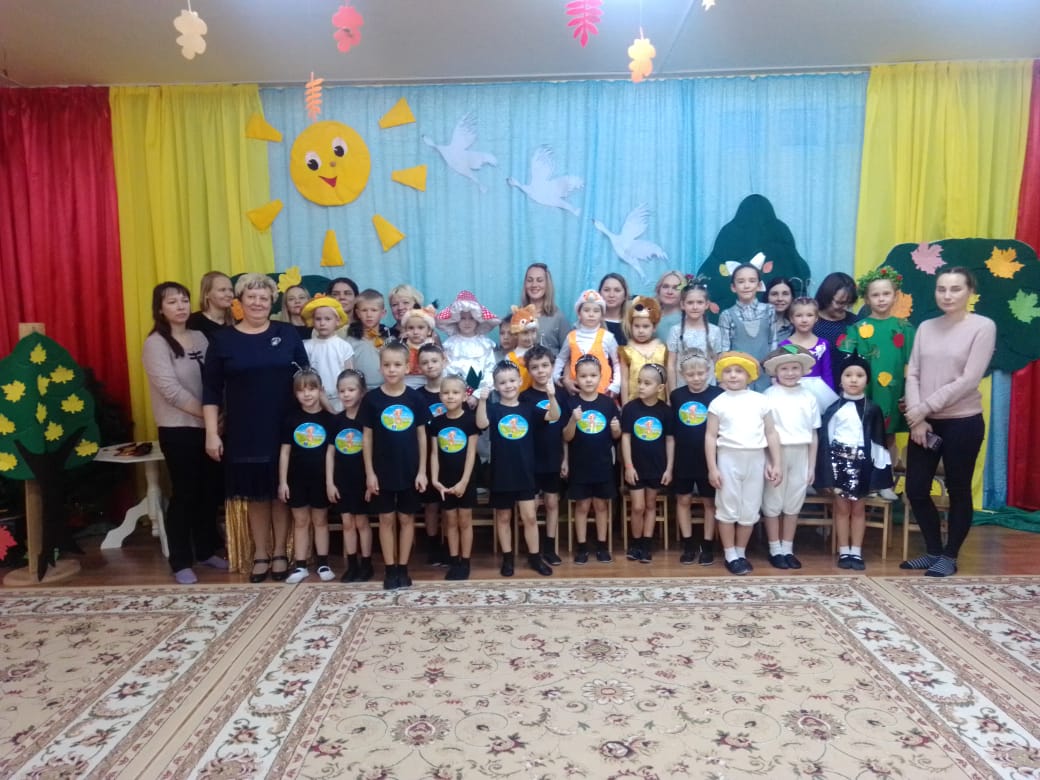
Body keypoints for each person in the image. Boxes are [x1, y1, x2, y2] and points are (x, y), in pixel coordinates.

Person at [203, 273, 308, 583]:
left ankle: (280, 552)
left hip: (285, 426)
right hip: (244, 429)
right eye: (251, 297)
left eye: (264, 298)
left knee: (280, 491)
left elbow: (306, 378)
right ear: (239, 301)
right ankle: (260, 553)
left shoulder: (287, 333)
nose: (258, 303)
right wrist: (211, 433)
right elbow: (210, 391)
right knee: (256, 495)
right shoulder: (222, 340)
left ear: (272, 301)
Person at [900, 267, 996, 578]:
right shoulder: (926, 327)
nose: (947, 295)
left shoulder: (983, 327)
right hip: (924, 424)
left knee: (958, 489)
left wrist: (922, 409)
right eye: (941, 289)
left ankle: (950, 555)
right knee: (915, 489)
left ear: (970, 292)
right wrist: (918, 419)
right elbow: (913, 373)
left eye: (955, 289)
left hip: (962, 422)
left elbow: (968, 380)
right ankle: (932, 550)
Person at [142, 281, 227, 585]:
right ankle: (180, 560)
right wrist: (209, 415)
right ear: (160, 308)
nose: (180, 306)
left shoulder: (200, 336)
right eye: (172, 302)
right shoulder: (156, 343)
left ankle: (205, 550)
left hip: (211, 428)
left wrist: (217, 418)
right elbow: (171, 391)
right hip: (179, 429)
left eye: (184, 300)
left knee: (209, 491)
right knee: (185, 493)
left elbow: (216, 379)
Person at [477, 359, 560, 576]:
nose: (508, 385)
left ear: (520, 381)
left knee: (530, 517)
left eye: (512, 381)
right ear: (496, 386)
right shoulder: (493, 409)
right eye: (503, 382)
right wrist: (482, 401)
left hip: (525, 472)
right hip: (502, 472)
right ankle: (508, 559)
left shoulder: (528, 408)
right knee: (503, 517)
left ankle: (535, 557)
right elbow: (481, 424)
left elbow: (554, 415)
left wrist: (551, 396)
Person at [705, 351, 782, 576]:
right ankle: (730, 554)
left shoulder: (760, 401)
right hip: (728, 458)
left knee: (750, 508)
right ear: (721, 375)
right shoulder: (718, 403)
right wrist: (712, 468)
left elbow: (771, 433)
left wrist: (776, 462)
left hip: (755, 459)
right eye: (728, 371)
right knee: (727, 507)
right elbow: (710, 436)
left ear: (749, 375)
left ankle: (741, 552)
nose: (733, 375)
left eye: (739, 371)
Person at [815, 351, 893, 570]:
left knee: (858, 509)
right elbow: (826, 441)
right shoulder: (833, 409)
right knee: (841, 509)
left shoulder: (873, 409)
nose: (854, 380)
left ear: (867, 380)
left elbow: (878, 443)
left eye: (859, 375)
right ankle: (844, 551)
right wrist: (827, 472)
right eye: (848, 375)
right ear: (840, 380)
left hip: (863, 465)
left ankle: (856, 552)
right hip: (838, 464)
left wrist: (879, 473)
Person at [361, 341, 429, 590]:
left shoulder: (415, 398)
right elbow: (367, 438)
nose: (391, 369)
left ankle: (403, 567)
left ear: (407, 367)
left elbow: (422, 436)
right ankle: (390, 569)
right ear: (380, 367)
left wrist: (422, 471)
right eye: (387, 365)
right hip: (382, 471)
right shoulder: (372, 399)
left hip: (410, 471)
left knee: (406, 518)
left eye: (397, 365)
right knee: (386, 519)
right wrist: (370, 473)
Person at [761, 346, 820, 570]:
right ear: (776, 371)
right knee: (773, 502)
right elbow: (765, 432)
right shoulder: (768, 396)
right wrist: (769, 461)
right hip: (777, 453)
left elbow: (813, 434)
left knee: (793, 502)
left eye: (795, 368)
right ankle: (774, 549)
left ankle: (788, 548)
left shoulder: (808, 396)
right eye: (784, 368)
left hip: (801, 453)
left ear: (802, 370)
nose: (790, 373)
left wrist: (811, 466)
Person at [841, 266, 916, 438]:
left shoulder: (904, 328)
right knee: (863, 434)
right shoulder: (856, 329)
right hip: (864, 390)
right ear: (867, 299)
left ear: (895, 296)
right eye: (875, 295)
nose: (881, 299)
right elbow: (847, 363)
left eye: (886, 294)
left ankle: (888, 458)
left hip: (894, 391)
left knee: (889, 436)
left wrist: (910, 393)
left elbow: (913, 364)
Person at [278, 368, 336, 584]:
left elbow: (331, 453)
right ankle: (301, 565)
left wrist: (330, 482)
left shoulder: (329, 419)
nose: (307, 394)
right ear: (295, 394)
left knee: (320, 520)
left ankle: (323, 563)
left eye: (312, 389)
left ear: (320, 390)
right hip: (296, 478)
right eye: (301, 390)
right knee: (301, 521)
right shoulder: (291, 418)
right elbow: (284, 452)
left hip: (320, 478)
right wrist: (283, 482)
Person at [563, 355, 622, 564]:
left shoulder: (608, 403)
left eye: (593, 375)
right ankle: (581, 547)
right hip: (580, 464)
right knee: (582, 506)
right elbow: (566, 437)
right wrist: (573, 420)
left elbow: (616, 436)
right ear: (576, 378)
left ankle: (602, 545)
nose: (588, 380)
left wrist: (616, 429)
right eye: (583, 376)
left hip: (603, 464)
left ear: (600, 377)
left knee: (601, 506)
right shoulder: (571, 403)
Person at [670, 349, 723, 565]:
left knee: (709, 502)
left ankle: (708, 545)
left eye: (701, 373)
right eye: (691, 375)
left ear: (708, 371)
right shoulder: (676, 396)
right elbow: (673, 431)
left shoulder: (718, 394)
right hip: (683, 457)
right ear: (682, 375)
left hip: (709, 459)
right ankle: (688, 544)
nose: (696, 378)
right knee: (683, 499)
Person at [521, 345, 570, 565]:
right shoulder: (524, 397)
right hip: (531, 460)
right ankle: (532, 548)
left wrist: (565, 459)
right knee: (531, 506)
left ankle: (550, 547)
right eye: (535, 367)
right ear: (528, 370)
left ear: (552, 366)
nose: (541, 371)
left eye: (545, 365)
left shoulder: (562, 394)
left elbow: (565, 430)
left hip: (553, 457)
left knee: (552, 502)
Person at [621, 363, 674, 563]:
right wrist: (628, 466)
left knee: (650, 504)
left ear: (659, 388)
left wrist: (669, 468)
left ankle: (646, 544)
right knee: (637, 507)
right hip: (636, 467)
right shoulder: (630, 408)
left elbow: (670, 440)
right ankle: (635, 543)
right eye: (639, 382)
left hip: (656, 467)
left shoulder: (665, 411)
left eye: (647, 383)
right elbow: (625, 438)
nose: (641, 386)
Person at [429, 374, 481, 580]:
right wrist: (435, 480)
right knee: (449, 521)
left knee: (464, 520)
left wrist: (464, 482)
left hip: (465, 480)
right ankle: (454, 560)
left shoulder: (470, 420)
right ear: (440, 396)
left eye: (455, 392)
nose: (450, 396)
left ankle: (465, 561)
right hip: (444, 480)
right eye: (446, 392)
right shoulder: (436, 423)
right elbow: (434, 454)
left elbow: (471, 453)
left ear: (464, 396)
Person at [326, 368, 373, 583]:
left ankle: (366, 563)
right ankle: (352, 564)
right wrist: (330, 482)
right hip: (342, 479)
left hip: (362, 480)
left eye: (351, 390)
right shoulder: (336, 421)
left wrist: (371, 481)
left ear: (361, 392)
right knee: (347, 522)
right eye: (342, 390)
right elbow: (330, 453)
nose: (346, 394)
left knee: (362, 522)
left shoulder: (367, 422)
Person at [553, 290, 621, 397]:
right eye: (586, 310)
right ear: (579, 314)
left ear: (602, 315)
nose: (591, 314)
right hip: (576, 394)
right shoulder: (571, 337)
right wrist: (556, 377)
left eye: (596, 311)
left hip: (602, 393)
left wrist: (616, 385)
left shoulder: (608, 337)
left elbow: (617, 363)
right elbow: (561, 358)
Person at [437, 290, 500, 404]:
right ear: (456, 320)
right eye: (463, 318)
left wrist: (477, 395)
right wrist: (455, 393)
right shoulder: (451, 344)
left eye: (471, 318)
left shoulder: (485, 344)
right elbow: (446, 370)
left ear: (478, 320)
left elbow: (490, 371)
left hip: (481, 397)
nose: (467, 322)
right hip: (455, 398)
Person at [718, 264, 774, 391]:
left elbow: (773, 343)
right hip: (737, 378)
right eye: (741, 281)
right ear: (733, 287)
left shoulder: (769, 310)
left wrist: (774, 373)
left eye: (752, 281)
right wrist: (722, 380)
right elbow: (724, 350)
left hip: (765, 377)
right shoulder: (727, 315)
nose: (746, 285)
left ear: (759, 285)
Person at [779, 297, 839, 413]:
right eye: (799, 315)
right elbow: (781, 372)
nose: (804, 320)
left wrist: (830, 396)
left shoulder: (823, 344)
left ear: (816, 318)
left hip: (820, 392)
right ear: (791, 318)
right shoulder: (785, 345)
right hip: (793, 389)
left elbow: (827, 373)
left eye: (809, 315)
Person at [301, 295, 354, 412]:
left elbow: (349, 375)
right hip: (315, 400)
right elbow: (306, 374)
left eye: (327, 319)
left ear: (337, 321)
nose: (322, 323)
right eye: (318, 319)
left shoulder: (344, 346)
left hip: (340, 399)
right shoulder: (307, 346)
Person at [666, 281, 722, 391]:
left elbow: (717, 362)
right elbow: (671, 364)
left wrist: (718, 388)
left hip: (708, 388)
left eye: (700, 302)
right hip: (683, 389)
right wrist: (673, 392)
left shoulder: (714, 331)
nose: (695, 307)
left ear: (707, 305)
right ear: (682, 305)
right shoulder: (676, 331)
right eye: (690, 303)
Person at [813, 272, 860, 385]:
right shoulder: (809, 322)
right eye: (840, 303)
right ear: (826, 297)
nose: (844, 307)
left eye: (848, 303)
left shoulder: (855, 323)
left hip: (847, 387)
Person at [620, 296, 668, 402]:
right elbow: (624, 380)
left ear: (654, 327)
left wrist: (669, 401)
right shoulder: (627, 351)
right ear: (631, 326)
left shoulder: (662, 350)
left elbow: (667, 378)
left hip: (659, 404)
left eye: (646, 326)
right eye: (636, 326)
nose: (641, 331)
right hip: (634, 403)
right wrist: (625, 405)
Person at [519, 262, 571, 351]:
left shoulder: (558, 317)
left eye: (539, 280)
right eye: (530, 280)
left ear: (547, 284)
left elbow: (569, 351)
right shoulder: (516, 315)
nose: (534, 285)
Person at [187, 271, 234, 340]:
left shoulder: (236, 321)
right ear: (206, 294)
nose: (229, 294)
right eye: (222, 290)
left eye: (231, 290)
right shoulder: (192, 322)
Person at [400, 305, 438, 389]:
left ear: (429, 331)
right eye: (411, 328)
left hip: (428, 382)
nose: (415, 332)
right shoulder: (402, 347)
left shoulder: (433, 347)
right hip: (406, 383)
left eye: (420, 328)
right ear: (405, 330)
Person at [505, 304, 539, 392]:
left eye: (533, 332)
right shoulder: (510, 357)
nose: (530, 337)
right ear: (516, 334)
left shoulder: (540, 353)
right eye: (525, 333)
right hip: (519, 396)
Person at [598, 272, 630, 346]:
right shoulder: (590, 321)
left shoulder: (634, 325)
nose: (611, 295)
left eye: (617, 290)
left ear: (625, 295)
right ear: (599, 293)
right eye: (606, 290)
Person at [652, 269, 684, 342]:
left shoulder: (685, 321)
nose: (669, 292)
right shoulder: (649, 314)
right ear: (658, 290)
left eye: (676, 288)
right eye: (665, 286)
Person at [764, 276, 795, 350]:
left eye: (785, 294)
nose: (780, 298)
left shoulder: (795, 328)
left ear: (792, 298)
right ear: (767, 297)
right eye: (774, 294)